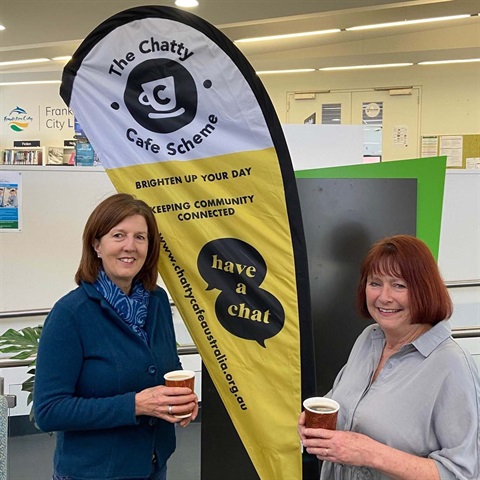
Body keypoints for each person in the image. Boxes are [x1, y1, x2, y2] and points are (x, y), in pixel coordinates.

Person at [34, 193, 198, 480]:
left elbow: (166, 366)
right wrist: (135, 405)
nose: (130, 247)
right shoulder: (71, 314)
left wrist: (181, 397)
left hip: (154, 463)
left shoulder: (156, 301)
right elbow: (49, 411)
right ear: (96, 245)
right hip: (95, 471)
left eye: (140, 237)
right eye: (118, 235)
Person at [298, 234, 480, 480]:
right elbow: (343, 404)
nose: (384, 297)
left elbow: (462, 474)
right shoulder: (369, 339)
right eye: (375, 283)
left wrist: (369, 453)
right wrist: (315, 425)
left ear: (424, 290)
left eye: (399, 285)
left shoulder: (451, 365)